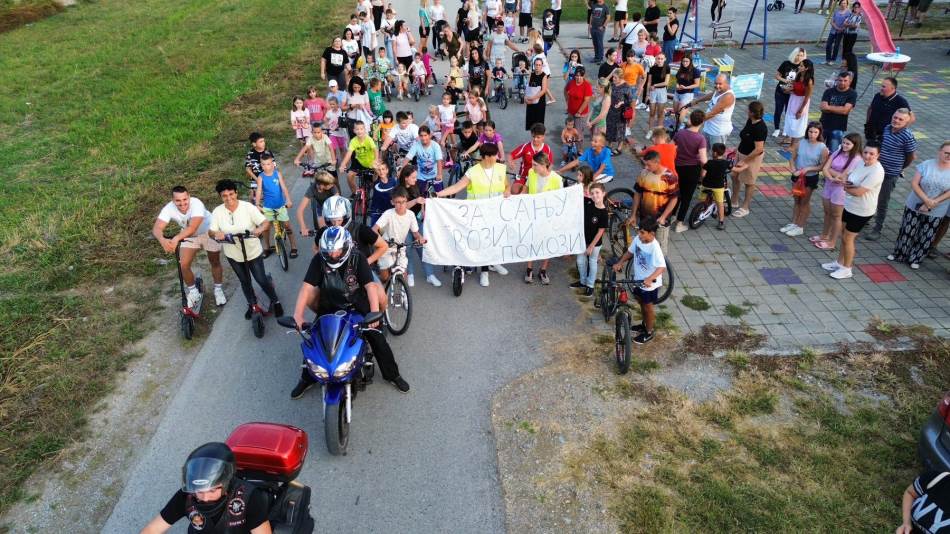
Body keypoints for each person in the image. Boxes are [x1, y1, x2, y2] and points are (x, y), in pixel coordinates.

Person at [290, 226, 410, 396]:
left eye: (337, 250)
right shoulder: (318, 260)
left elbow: (369, 286)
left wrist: (374, 313)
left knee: (377, 338)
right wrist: (298, 315)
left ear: (346, 247)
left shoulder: (357, 258)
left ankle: (392, 375)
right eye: (328, 250)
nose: (332, 254)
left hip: (357, 305)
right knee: (316, 339)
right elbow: (306, 288)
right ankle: (307, 378)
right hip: (329, 305)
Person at [139, 442, 271, 534]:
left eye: (212, 490)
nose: (205, 498)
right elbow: (151, 530)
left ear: (226, 482)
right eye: (199, 491)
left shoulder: (250, 498)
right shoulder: (186, 496)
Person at [435, 143, 512, 287]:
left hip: (496, 212)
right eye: (495, 155)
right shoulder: (473, 172)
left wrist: (507, 190)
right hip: (477, 213)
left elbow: (507, 184)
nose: (497, 157)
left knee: (495, 238)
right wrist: (438, 194)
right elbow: (457, 186)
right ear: (487, 157)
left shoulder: (501, 168)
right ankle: (484, 271)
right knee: (483, 240)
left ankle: (494, 263)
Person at [209, 179, 282, 319]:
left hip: (252, 251)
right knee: (245, 281)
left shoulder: (247, 207)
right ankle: (252, 304)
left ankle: (276, 301)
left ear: (236, 192)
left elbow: (265, 222)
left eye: (231, 194)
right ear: (220, 197)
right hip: (233, 254)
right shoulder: (217, 212)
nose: (229, 198)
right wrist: (216, 233)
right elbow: (211, 232)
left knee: (261, 279)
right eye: (224, 196)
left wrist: (259, 229)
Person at [152, 186, 227, 308]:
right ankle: (193, 292)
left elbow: (193, 227)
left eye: (184, 199)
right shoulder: (168, 208)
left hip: (209, 232)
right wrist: (162, 240)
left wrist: (175, 239)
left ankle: (218, 289)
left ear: (189, 197)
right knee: (184, 265)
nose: (182, 203)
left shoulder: (197, 203)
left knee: (214, 261)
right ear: (172, 200)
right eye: (178, 200)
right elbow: (157, 228)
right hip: (190, 236)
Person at [821, 143, 884, 280]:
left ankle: (847, 268)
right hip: (849, 205)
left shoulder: (877, 171)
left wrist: (845, 188)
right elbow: (848, 176)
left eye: (872, 154)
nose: (867, 156)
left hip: (862, 210)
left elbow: (859, 192)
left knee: (848, 238)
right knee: (843, 235)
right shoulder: (861, 163)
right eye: (866, 152)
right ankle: (839, 263)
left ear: (878, 155)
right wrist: (845, 183)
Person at [888, 141, 950, 269]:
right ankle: (899, 253)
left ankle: (916, 258)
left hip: (937, 207)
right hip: (915, 203)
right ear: (940, 152)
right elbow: (915, 183)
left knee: (927, 233)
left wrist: (933, 202)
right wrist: (926, 200)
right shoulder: (926, 164)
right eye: (946, 153)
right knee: (907, 229)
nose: (948, 156)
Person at [612, 215, 665, 344]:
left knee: (648, 307)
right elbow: (630, 252)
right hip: (638, 279)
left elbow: (661, 267)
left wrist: (649, 278)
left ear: (651, 233)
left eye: (642, 233)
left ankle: (649, 332)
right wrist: (620, 262)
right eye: (639, 231)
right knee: (641, 302)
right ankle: (644, 324)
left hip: (649, 284)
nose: (639, 234)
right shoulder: (638, 240)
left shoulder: (654, 247)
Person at [866, 108, 917, 240]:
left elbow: (911, 156)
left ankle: (877, 228)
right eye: (895, 117)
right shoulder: (887, 128)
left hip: (890, 174)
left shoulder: (908, 136)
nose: (896, 120)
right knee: (870, 195)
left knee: (882, 201)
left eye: (901, 119)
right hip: (877, 169)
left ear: (906, 122)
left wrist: (900, 167)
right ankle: (866, 217)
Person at [812, 132, 863, 251]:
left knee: (836, 216)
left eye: (848, 144)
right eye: (843, 142)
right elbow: (825, 168)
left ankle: (832, 241)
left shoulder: (856, 159)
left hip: (840, 189)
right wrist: (830, 177)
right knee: (827, 212)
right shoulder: (838, 152)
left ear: (855, 145)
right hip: (829, 184)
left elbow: (843, 176)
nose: (844, 145)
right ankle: (824, 235)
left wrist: (832, 173)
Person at [522, 152, 563, 284]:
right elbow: (527, 187)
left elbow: (560, 199)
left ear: (544, 165)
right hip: (532, 213)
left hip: (548, 217)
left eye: (535, 165)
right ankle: (529, 268)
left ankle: (543, 269)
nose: (532, 167)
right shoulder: (531, 173)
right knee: (531, 240)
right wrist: (519, 198)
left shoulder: (556, 179)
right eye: (532, 164)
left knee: (547, 241)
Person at [782, 122, 829, 237]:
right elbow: (792, 158)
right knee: (796, 200)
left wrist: (808, 169)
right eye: (810, 131)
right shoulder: (800, 143)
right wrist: (793, 169)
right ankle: (794, 222)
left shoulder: (822, 148)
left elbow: (822, 166)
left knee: (804, 202)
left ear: (819, 133)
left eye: (815, 132)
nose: (812, 134)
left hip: (810, 177)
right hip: (797, 176)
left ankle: (800, 225)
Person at [373, 187, 427, 284]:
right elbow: (374, 229)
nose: (401, 205)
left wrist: (420, 237)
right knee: (385, 277)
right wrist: (381, 241)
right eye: (398, 202)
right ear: (392, 202)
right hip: (386, 246)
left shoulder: (410, 215)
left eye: (403, 201)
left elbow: (415, 233)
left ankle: (403, 293)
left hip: (400, 247)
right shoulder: (388, 214)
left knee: (403, 273)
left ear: (407, 201)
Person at [627, 150, 678, 249]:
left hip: (660, 221)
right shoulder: (643, 174)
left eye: (648, 165)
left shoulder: (669, 177)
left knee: (659, 249)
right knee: (644, 245)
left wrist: (663, 217)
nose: (646, 167)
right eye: (644, 164)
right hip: (644, 219)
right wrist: (633, 215)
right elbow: (637, 194)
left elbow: (674, 199)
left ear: (657, 162)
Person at [254, 155, 298, 259]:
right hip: (268, 207)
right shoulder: (261, 177)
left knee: (287, 226)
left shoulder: (277, 174)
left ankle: (293, 246)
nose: (266, 166)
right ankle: (267, 247)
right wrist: (257, 204)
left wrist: (288, 200)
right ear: (261, 165)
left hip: (280, 205)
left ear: (273, 164)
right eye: (263, 164)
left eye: (268, 164)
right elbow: (259, 190)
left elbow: (284, 188)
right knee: (266, 227)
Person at [672, 109, 708, 232]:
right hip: (692, 170)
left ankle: (671, 215)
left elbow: (671, 147)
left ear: (690, 120)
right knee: (687, 197)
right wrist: (705, 170)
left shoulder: (680, 133)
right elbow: (703, 159)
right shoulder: (700, 139)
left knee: (676, 194)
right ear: (701, 123)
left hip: (677, 168)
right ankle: (679, 223)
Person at [731, 100, 768, 218]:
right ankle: (734, 200)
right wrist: (736, 149)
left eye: (748, 110)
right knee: (734, 176)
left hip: (752, 157)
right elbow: (744, 137)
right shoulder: (750, 121)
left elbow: (758, 149)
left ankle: (745, 207)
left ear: (752, 113)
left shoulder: (760, 128)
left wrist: (745, 160)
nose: (746, 111)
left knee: (749, 181)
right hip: (741, 153)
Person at [571, 182, 608, 296]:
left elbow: (600, 231)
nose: (595, 195)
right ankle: (583, 281)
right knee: (580, 261)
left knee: (592, 262)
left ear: (603, 194)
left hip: (594, 244)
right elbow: (576, 197)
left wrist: (591, 246)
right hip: (582, 240)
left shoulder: (604, 213)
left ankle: (590, 285)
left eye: (597, 193)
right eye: (592, 193)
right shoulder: (588, 203)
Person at [689, 74, 735, 148]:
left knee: (716, 155)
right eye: (716, 83)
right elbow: (712, 94)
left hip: (718, 132)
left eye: (720, 84)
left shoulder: (728, 96)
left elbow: (712, 114)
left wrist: (694, 123)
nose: (717, 86)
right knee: (701, 150)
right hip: (708, 128)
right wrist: (697, 100)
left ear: (727, 83)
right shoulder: (719, 89)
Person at [864, 77, 914, 144]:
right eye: (881, 86)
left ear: (892, 88)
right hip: (871, 133)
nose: (881, 88)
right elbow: (870, 109)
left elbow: (912, 118)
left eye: (883, 87)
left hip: (885, 136)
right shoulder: (877, 96)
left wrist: (899, 130)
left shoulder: (900, 101)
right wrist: (867, 123)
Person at [772, 47, 806, 137]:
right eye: (798, 55)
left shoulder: (802, 67)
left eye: (801, 55)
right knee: (778, 110)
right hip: (780, 90)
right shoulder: (786, 63)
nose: (799, 57)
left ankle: (786, 129)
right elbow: (777, 76)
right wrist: (785, 80)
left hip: (792, 93)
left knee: (789, 111)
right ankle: (776, 129)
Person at [509, 123, 554, 194]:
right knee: (514, 190)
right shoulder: (525, 147)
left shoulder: (547, 149)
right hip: (523, 176)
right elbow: (511, 155)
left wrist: (548, 176)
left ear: (543, 136)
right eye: (533, 136)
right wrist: (510, 162)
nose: (535, 139)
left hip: (539, 176)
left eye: (538, 137)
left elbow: (550, 165)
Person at [819, 70, 857, 152]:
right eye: (840, 80)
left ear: (850, 81)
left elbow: (845, 111)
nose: (842, 83)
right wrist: (840, 109)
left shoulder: (852, 94)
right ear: (837, 80)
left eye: (845, 81)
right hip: (823, 124)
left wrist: (828, 107)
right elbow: (822, 107)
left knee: (833, 152)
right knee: (817, 150)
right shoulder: (829, 91)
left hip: (838, 127)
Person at [782, 59, 815, 152]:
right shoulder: (799, 75)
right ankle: (789, 139)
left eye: (801, 66)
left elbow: (807, 97)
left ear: (806, 68)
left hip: (801, 101)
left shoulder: (809, 81)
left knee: (797, 123)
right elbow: (795, 87)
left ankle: (793, 145)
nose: (799, 67)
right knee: (790, 120)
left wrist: (800, 110)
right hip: (793, 99)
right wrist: (789, 90)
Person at [296, 171, 338, 235]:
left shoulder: (332, 186)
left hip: (333, 207)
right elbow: (299, 211)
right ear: (321, 185)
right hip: (321, 208)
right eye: (330, 184)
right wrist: (303, 228)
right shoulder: (312, 189)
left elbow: (337, 201)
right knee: (322, 232)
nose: (332, 185)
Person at [701, 143, 732, 230]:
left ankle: (701, 209)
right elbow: (733, 168)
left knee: (702, 200)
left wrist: (701, 179)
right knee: (720, 204)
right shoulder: (726, 163)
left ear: (714, 153)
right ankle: (721, 222)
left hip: (706, 185)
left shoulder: (709, 162)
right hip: (718, 187)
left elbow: (703, 174)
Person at [404, 125, 444, 191]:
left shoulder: (435, 146)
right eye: (421, 136)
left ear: (429, 135)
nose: (423, 138)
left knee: (439, 195)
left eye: (425, 135)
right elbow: (407, 158)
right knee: (419, 195)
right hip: (421, 175)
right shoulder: (416, 145)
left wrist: (439, 174)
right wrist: (401, 170)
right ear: (419, 136)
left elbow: (439, 161)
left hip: (435, 174)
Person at [646, 53, 670, 136]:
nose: (660, 60)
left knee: (660, 113)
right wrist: (647, 94)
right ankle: (650, 130)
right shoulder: (652, 68)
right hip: (653, 92)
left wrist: (655, 85)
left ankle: (659, 132)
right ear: (656, 59)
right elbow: (649, 82)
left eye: (661, 59)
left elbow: (666, 82)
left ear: (665, 59)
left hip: (662, 91)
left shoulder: (667, 68)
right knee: (652, 113)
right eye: (658, 58)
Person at [525, 58, 552, 131]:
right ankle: (533, 139)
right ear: (534, 65)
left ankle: (539, 138)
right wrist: (525, 97)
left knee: (538, 122)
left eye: (539, 65)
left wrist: (532, 98)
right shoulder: (531, 74)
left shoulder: (544, 76)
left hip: (539, 102)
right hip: (531, 102)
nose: (537, 66)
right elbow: (528, 86)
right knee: (531, 122)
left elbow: (543, 90)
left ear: (542, 66)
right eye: (536, 65)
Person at [565, 66, 594, 135]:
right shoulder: (571, 82)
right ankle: (571, 145)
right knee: (570, 131)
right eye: (577, 76)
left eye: (581, 76)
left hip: (580, 114)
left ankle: (578, 145)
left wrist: (579, 112)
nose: (578, 78)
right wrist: (567, 103)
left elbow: (586, 101)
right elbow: (565, 90)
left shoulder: (587, 85)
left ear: (584, 76)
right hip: (570, 112)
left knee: (578, 133)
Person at [825, 0, 849, 65]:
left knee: (836, 46)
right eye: (842, 3)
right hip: (833, 31)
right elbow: (832, 21)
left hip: (841, 32)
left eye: (845, 3)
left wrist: (842, 29)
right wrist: (836, 27)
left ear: (847, 4)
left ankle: (833, 59)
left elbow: (848, 23)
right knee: (828, 45)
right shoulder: (836, 11)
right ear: (840, 4)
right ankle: (828, 59)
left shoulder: (848, 13)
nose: (843, 4)